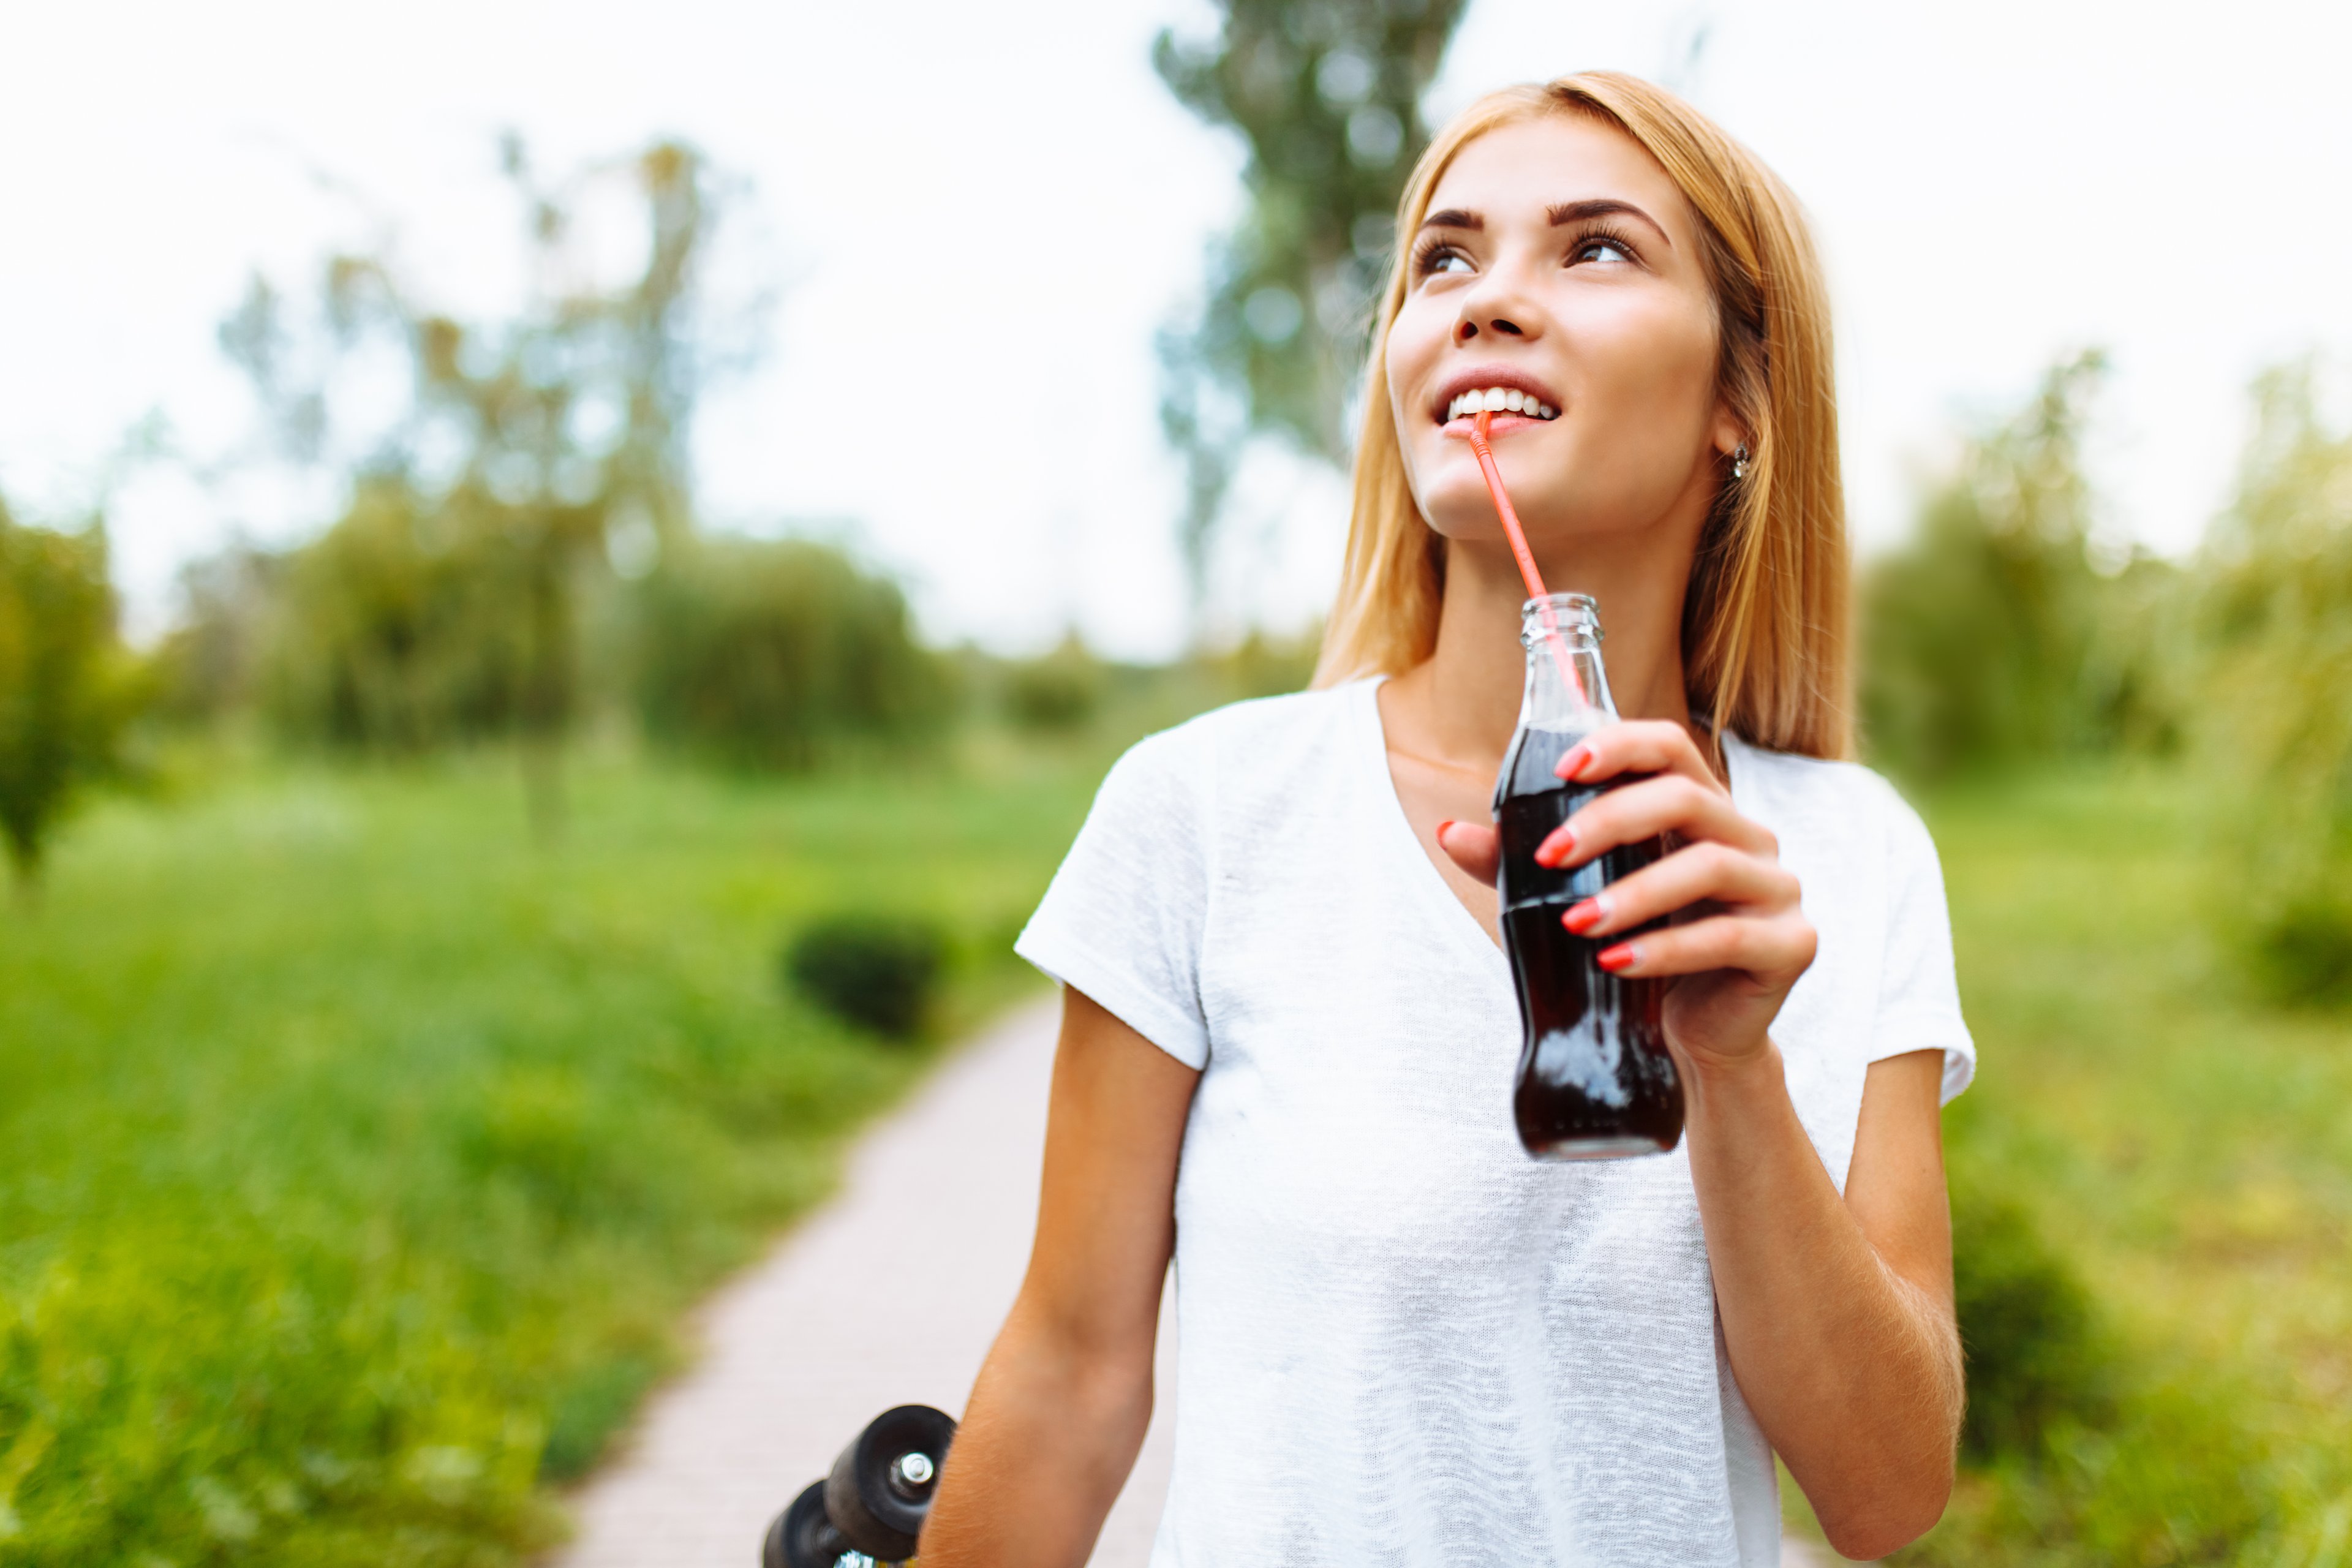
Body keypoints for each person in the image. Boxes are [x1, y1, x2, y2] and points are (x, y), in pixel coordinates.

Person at [921, 70, 1973, 1567]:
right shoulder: (1206, 813)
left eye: (1594, 248)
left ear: (1742, 398)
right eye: (1444, 258)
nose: (1485, 302)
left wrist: (1731, 1066)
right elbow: (1072, 1375)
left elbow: (1887, 1494)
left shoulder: (1855, 858)